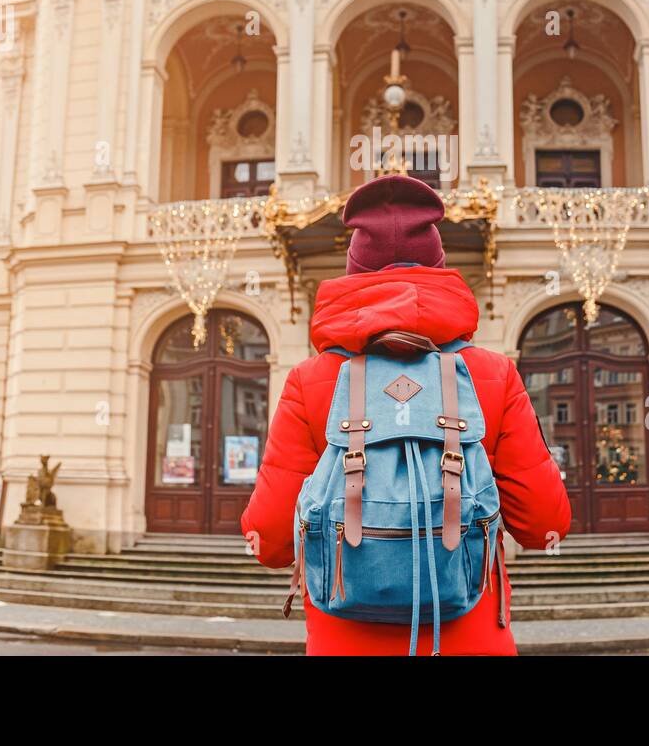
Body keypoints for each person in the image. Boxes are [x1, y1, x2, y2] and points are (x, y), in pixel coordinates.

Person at [241, 173, 571, 655]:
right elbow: (547, 525)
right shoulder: (492, 374)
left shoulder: (309, 381)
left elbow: (269, 541)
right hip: (470, 639)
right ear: (440, 268)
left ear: (352, 274)